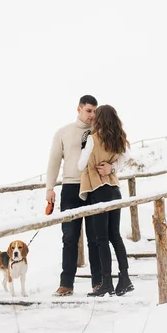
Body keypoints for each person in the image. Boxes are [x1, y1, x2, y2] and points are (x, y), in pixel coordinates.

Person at [46, 95, 103, 296]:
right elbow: (54, 161)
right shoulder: (63, 132)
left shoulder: (99, 132)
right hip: (70, 188)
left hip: (94, 188)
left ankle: (98, 282)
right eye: (89, 110)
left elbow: (116, 153)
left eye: (95, 111)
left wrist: (111, 168)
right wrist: (49, 188)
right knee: (69, 237)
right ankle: (66, 284)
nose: (92, 115)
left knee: (95, 238)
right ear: (78, 109)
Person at [78, 104, 134, 297]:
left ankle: (107, 283)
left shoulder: (93, 139)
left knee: (102, 240)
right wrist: (111, 168)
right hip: (114, 190)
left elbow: (81, 164)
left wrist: (86, 148)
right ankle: (125, 279)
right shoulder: (119, 139)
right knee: (115, 237)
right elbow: (126, 158)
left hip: (98, 192)